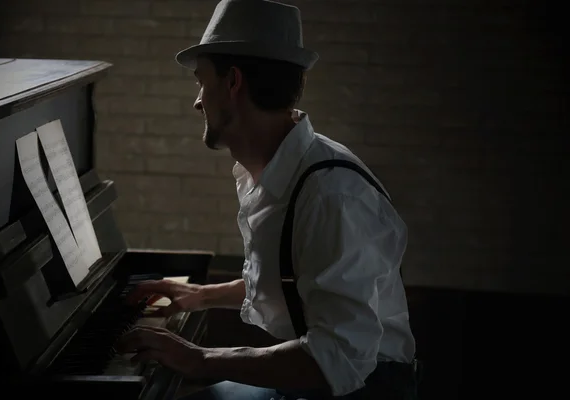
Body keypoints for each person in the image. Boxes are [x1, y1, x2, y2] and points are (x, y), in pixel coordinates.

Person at [114, 0, 419, 399]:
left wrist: (198, 359)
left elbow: (339, 360)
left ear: (232, 83)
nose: (197, 101)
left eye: (201, 82)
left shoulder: (330, 196)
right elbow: (300, 280)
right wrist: (201, 296)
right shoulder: (283, 168)